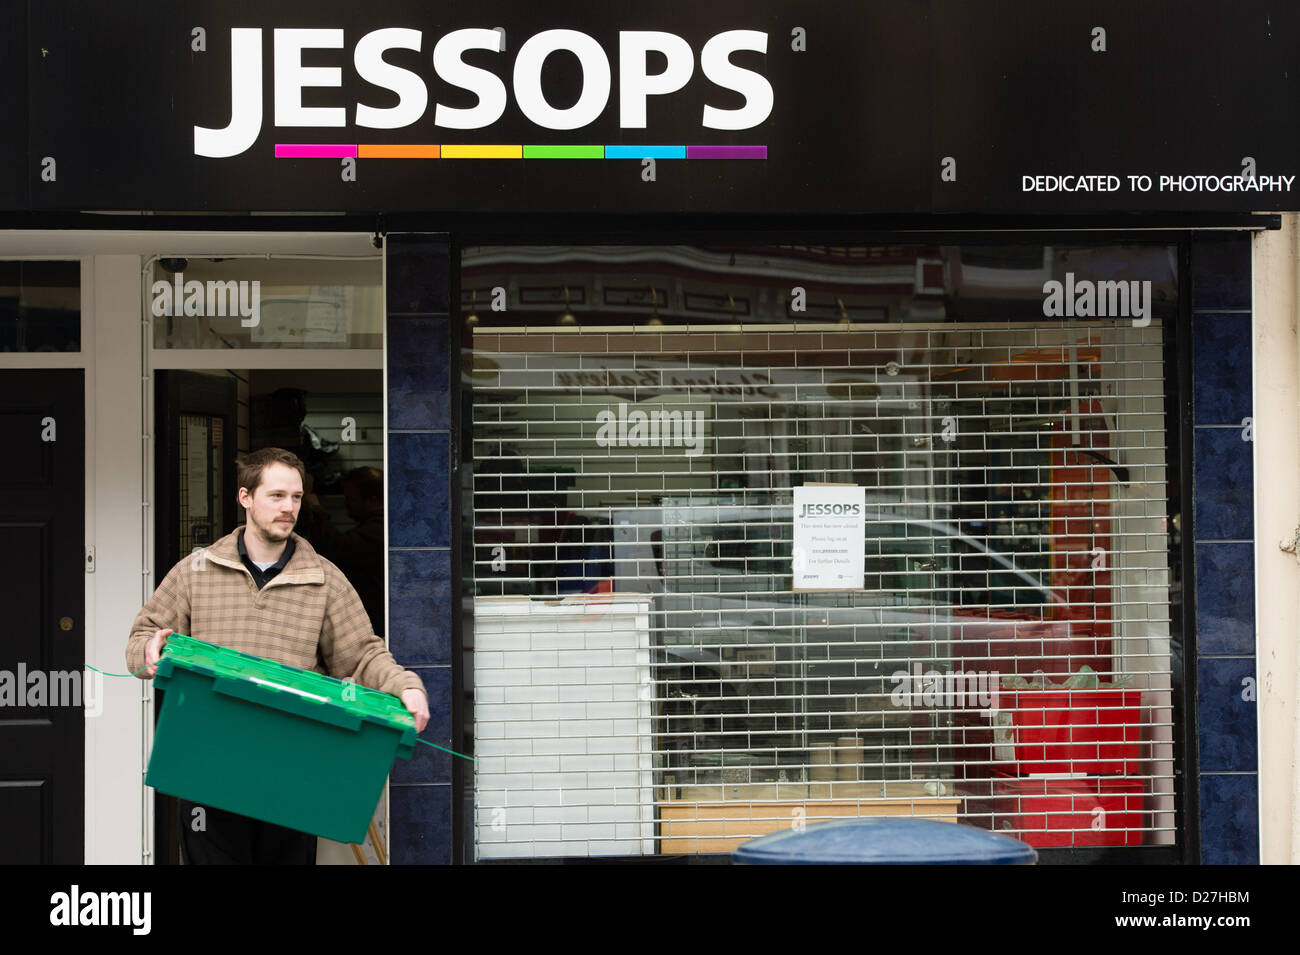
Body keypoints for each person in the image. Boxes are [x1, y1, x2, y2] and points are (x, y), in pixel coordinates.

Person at [125, 447, 429, 865]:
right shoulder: (195, 571)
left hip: (291, 776)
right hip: (209, 770)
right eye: (277, 496)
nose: (289, 508)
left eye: (296, 497)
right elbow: (141, 640)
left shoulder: (325, 579)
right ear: (245, 497)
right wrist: (149, 650)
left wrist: (406, 686)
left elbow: (362, 656)